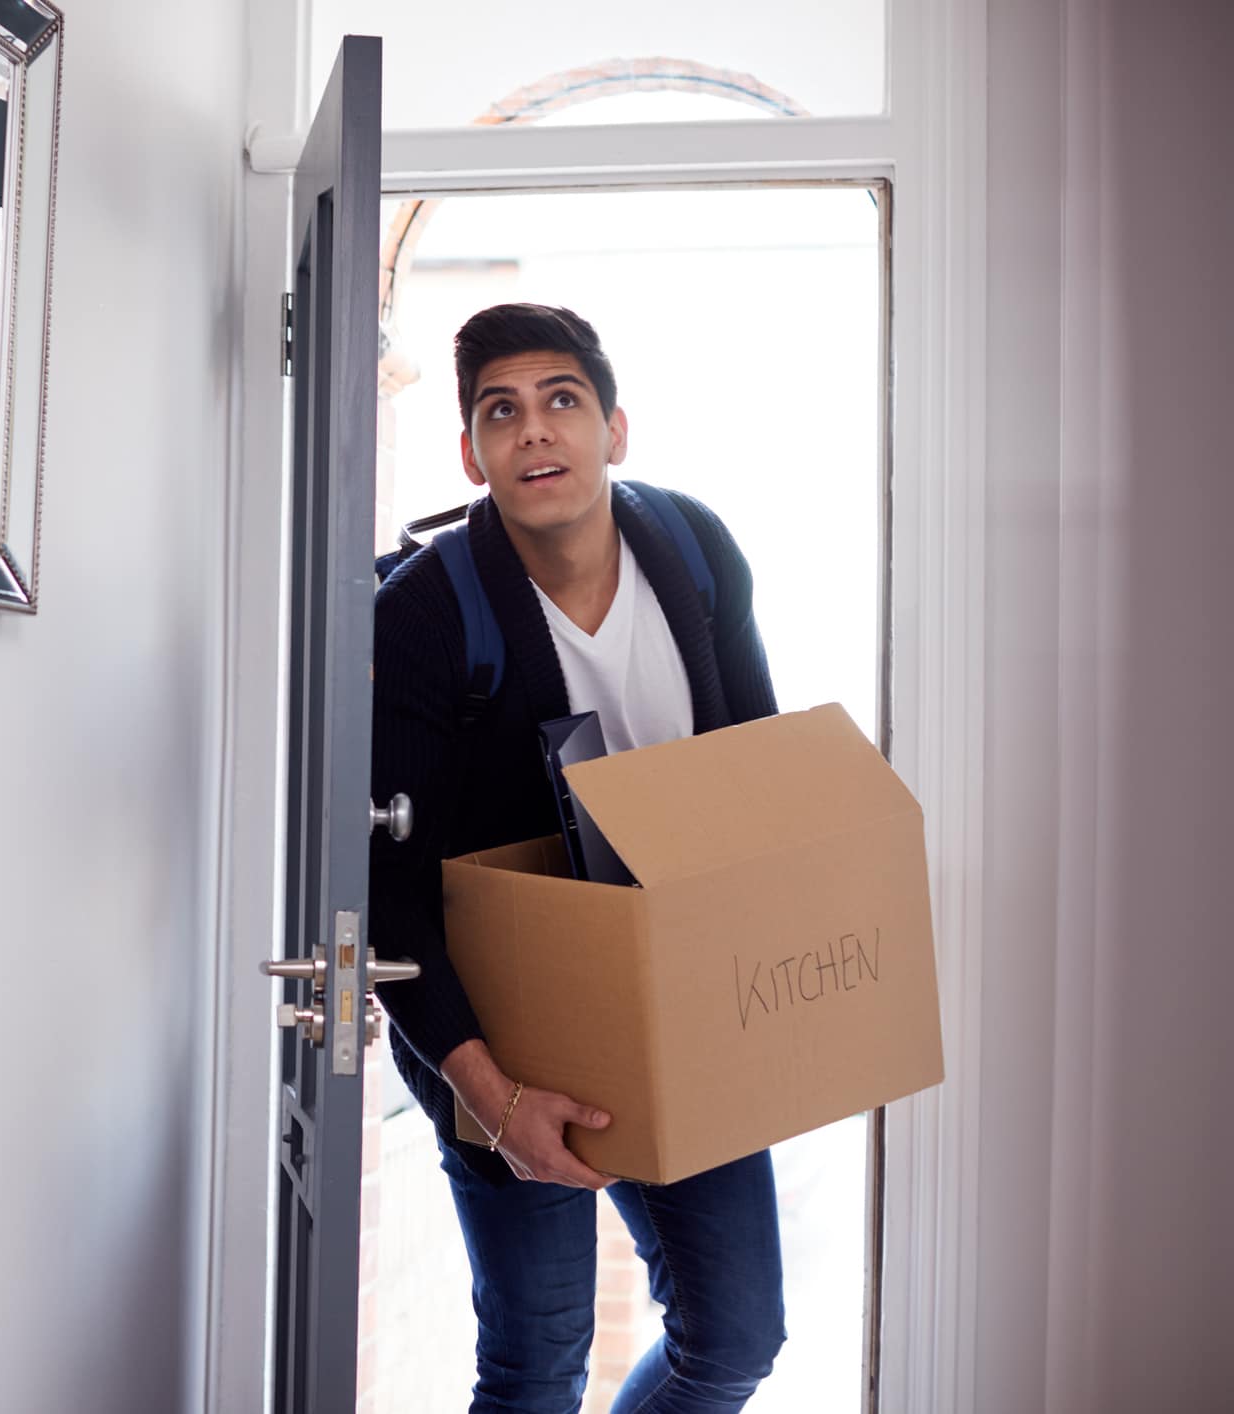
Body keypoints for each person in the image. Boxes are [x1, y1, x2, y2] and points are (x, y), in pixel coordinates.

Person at [370, 303, 787, 1413]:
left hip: (673, 994)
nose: (534, 432)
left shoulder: (693, 549)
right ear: (471, 452)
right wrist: (492, 1096)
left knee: (738, 1335)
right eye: (501, 411)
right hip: (496, 1020)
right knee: (534, 1361)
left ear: (616, 428)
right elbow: (387, 895)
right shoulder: (422, 612)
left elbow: (758, 773)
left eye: (562, 400)